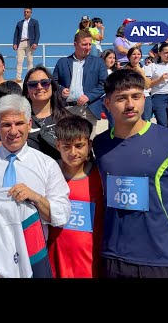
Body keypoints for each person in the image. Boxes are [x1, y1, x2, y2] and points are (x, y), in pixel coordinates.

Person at [93, 69, 168, 278]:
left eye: (136, 96)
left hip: (163, 257)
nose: (130, 105)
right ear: (108, 104)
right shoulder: (100, 144)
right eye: (121, 98)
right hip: (114, 257)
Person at [0, 94, 71, 244]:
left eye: (19, 123)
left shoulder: (47, 165)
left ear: (29, 124)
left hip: (32, 253)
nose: (13, 132)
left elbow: (62, 215)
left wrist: (37, 198)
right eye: (7, 125)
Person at [47, 115, 104, 278]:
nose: (73, 152)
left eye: (79, 146)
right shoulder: (47, 174)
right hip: (54, 265)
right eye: (66, 146)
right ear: (58, 146)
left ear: (89, 144)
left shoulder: (101, 176)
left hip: (91, 266)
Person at [53, 30, 107, 137]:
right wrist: (61, 89)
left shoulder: (98, 62)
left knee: (87, 143)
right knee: (67, 143)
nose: (88, 47)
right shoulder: (62, 62)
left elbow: (104, 84)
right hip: (66, 111)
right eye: (84, 44)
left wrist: (88, 96)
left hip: (88, 110)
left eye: (89, 44)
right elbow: (53, 82)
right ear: (75, 44)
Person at [23, 65, 72, 161]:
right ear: (27, 92)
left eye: (45, 83)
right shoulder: (19, 121)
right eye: (33, 84)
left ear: (52, 87)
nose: (39, 87)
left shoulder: (68, 119)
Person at [12, 8, 40, 83]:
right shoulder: (19, 23)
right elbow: (16, 34)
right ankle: (18, 78)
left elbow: (37, 33)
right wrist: (15, 43)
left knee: (30, 61)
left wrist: (35, 43)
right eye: (25, 12)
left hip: (30, 43)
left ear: (31, 13)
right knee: (19, 61)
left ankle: (29, 78)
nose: (26, 13)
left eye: (27, 12)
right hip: (20, 43)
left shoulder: (35, 22)